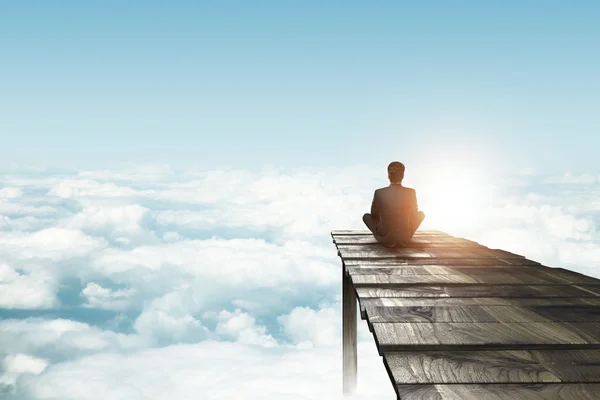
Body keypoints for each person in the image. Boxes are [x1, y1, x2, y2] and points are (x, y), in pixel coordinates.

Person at [362, 161, 425, 247]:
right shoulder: (411, 192)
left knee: (366, 216)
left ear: (388, 176)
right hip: (405, 237)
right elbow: (414, 213)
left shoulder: (379, 192)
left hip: (385, 237)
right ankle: (404, 233)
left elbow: (374, 214)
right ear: (403, 176)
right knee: (421, 214)